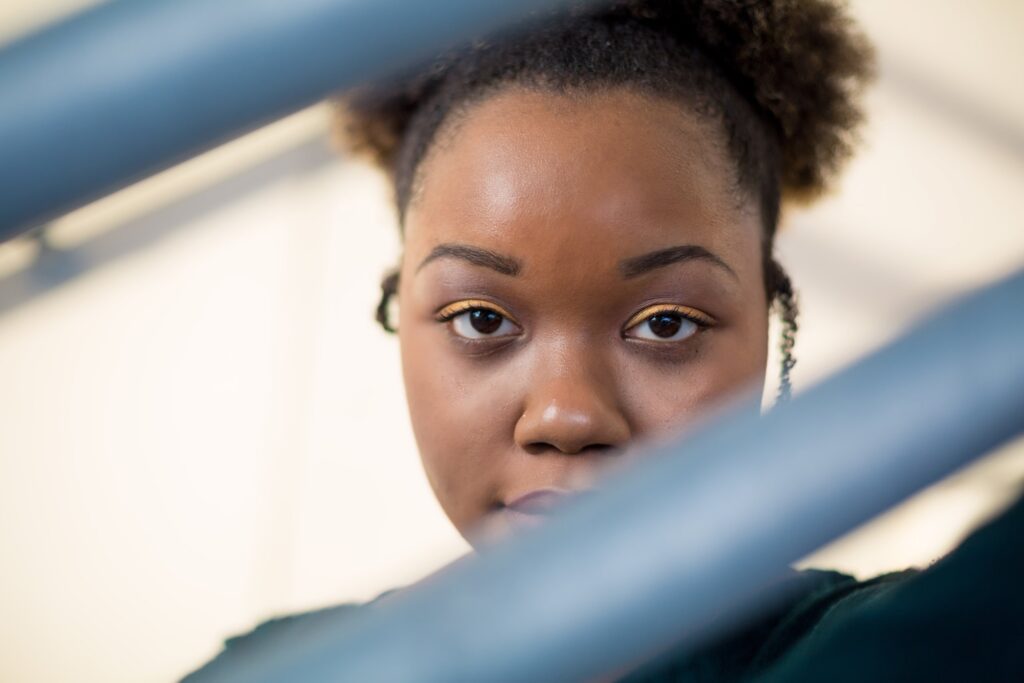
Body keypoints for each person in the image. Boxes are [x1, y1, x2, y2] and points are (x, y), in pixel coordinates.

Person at [183, 1, 1022, 680]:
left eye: (665, 324)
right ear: (400, 311)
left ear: (771, 325)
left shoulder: (899, 647)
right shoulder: (272, 669)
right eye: (481, 318)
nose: (566, 414)